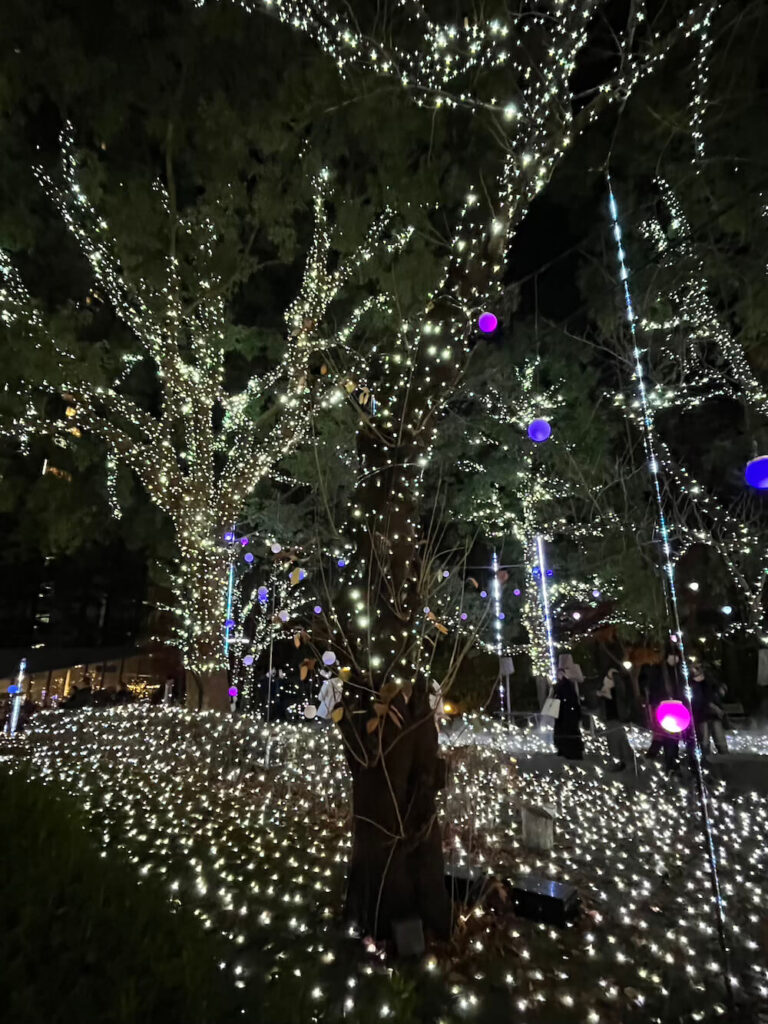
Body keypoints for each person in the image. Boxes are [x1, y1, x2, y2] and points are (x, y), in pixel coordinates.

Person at [640, 643, 684, 770]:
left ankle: (666, 761)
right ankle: (669, 764)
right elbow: (652, 689)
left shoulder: (678, 671)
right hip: (661, 707)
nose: (674, 658)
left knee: (670, 737)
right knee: (665, 735)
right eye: (672, 655)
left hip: (676, 708)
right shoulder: (658, 670)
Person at [598, 668, 635, 771]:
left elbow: (620, 701)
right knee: (620, 740)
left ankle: (621, 762)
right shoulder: (610, 687)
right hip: (612, 717)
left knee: (616, 741)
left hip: (615, 717)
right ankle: (626, 762)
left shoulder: (616, 688)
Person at [691, 662, 728, 756]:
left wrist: (716, 706)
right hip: (701, 714)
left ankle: (724, 757)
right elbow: (698, 700)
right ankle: (705, 758)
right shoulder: (692, 683)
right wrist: (714, 707)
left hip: (712, 714)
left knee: (719, 740)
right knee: (704, 740)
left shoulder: (709, 681)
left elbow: (713, 695)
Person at [552, 657, 584, 760]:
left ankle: (569, 751)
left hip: (566, 712)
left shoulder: (566, 684)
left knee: (568, 731)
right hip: (564, 712)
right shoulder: (563, 684)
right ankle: (566, 750)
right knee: (566, 731)